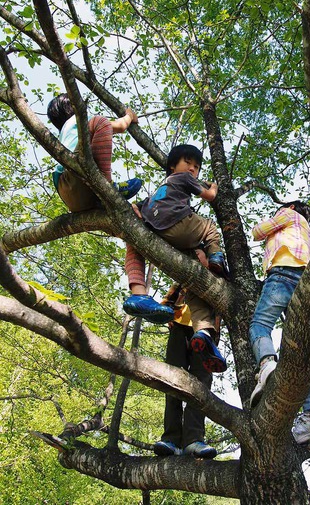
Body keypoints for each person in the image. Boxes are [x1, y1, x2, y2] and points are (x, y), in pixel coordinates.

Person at [47, 93, 174, 324]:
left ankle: (139, 295)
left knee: (135, 223)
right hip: (73, 177)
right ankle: (109, 188)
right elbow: (118, 126)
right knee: (101, 122)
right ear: (72, 107)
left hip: (74, 195)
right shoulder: (76, 122)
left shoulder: (64, 133)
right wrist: (129, 116)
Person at [123, 144, 228, 372]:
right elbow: (210, 196)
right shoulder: (182, 178)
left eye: (196, 166)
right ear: (173, 166)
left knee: (194, 284)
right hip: (180, 224)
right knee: (209, 227)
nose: (192, 169)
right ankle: (216, 256)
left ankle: (203, 332)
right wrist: (214, 185)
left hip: (160, 234)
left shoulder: (155, 194)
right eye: (188, 163)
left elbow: (135, 209)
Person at [248, 200, 310, 444]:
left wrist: (269, 225)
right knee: (301, 352)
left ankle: (266, 364)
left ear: (293, 209)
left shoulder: (289, 215)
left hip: (283, 274)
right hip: (306, 285)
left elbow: (258, 232)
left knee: (260, 325)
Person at [153, 250, 221, 459]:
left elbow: (221, 308)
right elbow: (166, 303)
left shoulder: (217, 280)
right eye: (197, 254)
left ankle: (193, 440)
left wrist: (215, 333)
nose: (199, 258)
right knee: (171, 381)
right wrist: (168, 314)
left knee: (200, 386)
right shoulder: (184, 276)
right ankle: (171, 439)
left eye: (202, 255)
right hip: (180, 330)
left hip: (205, 334)